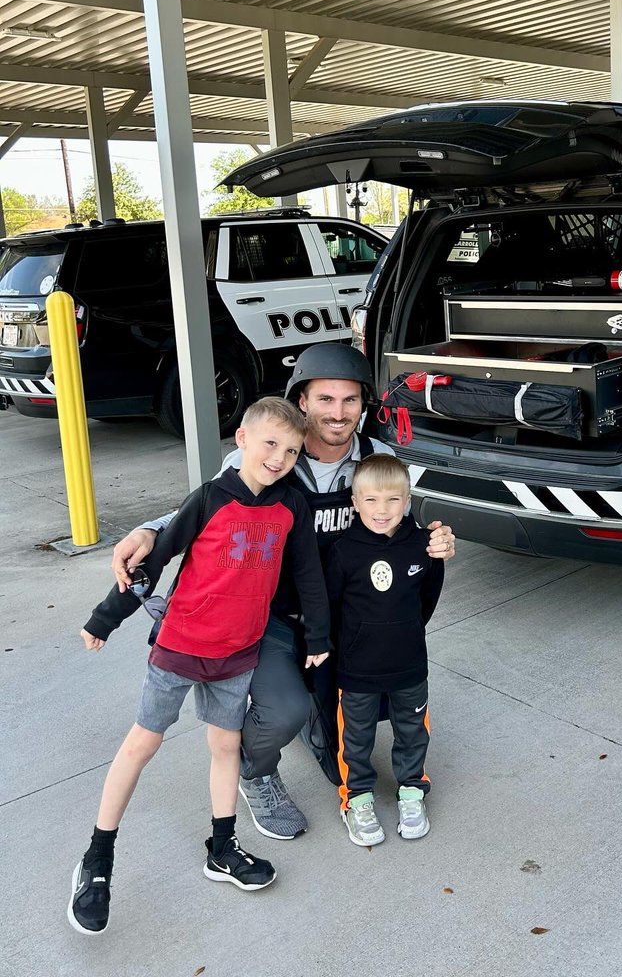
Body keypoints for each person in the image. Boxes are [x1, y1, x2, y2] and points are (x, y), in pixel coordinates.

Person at [110, 342, 455, 842]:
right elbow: (211, 506)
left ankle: (324, 716)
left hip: (341, 616)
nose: (338, 414)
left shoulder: (376, 459)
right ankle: (256, 772)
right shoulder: (272, 454)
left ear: (364, 405)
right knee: (283, 712)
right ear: (302, 402)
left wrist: (435, 539)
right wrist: (150, 529)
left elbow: (399, 525)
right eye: (324, 400)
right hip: (270, 614)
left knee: (375, 701)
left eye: (350, 401)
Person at [70, 398, 330, 935]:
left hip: (238, 653)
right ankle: (97, 859)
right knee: (142, 743)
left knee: (225, 748)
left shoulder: (292, 508)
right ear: (241, 440)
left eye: (291, 450)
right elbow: (155, 556)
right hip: (182, 645)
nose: (279, 458)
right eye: (269, 444)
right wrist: (104, 618)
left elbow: (308, 574)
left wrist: (320, 636)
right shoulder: (210, 497)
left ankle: (222, 847)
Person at [327, 454, 444, 846]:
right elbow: (333, 607)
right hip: (357, 669)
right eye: (372, 500)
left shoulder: (422, 546)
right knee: (355, 738)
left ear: (407, 499)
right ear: (356, 503)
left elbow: (428, 597)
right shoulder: (343, 552)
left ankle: (412, 789)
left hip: (409, 665)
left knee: (412, 732)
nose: (382, 510)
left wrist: (406, 631)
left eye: (393, 500)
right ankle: (356, 798)